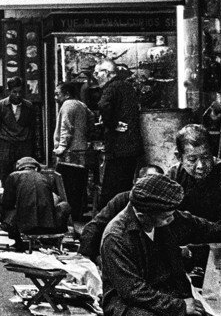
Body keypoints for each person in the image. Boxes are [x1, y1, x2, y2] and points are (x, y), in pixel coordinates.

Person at [100, 174, 221, 316]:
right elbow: (133, 291)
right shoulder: (116, 238)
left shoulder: (161, 214)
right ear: (142, 216)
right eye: (166, 217)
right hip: (131, 305)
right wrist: (180, 306)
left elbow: (197, 226)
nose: (172, 219)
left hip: (169, 293)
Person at [79, 164, 163, 261]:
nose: (150, 186)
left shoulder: (162, 207)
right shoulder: (122, 199)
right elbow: (94, 226)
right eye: (147, 180)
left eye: (156, 183)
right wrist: (89, 256)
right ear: (135, 181)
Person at [97, 59, 143, 208]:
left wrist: (111, 124)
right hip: (132, 147)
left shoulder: (111, 88)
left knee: (111, 189)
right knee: (125, 187)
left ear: (108, 73)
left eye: (98, 73)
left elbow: (103, 105)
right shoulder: (127, 87)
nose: (96, 76)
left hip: (118, 148)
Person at [0, 156, 69, 241]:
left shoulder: (13, 176)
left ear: (19, 167)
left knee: (0, 197)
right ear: (35, 168)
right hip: (48, 226)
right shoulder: (44, 177)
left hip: (25, 225)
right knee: (64, 205)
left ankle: (14, 233)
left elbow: (7, 203)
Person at [0, 77, 40, 176]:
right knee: (6, 176)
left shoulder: (29, 106)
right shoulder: (0, 106)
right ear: (9, 91)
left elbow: (33, 128)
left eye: (20, 92)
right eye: (14, 92)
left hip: (24, 146)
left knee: (25, 176)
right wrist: (5, 139)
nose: (18, 95)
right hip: (6, 147)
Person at [52, 80, 91, 167]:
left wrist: (61, 147)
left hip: (70, 150)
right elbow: (91, 117)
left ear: (67, 94)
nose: (55, 97)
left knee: (69, 176)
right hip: (82, 147)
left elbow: (66, 127)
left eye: (57, 94)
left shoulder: (67, 105)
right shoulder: (81, 104)